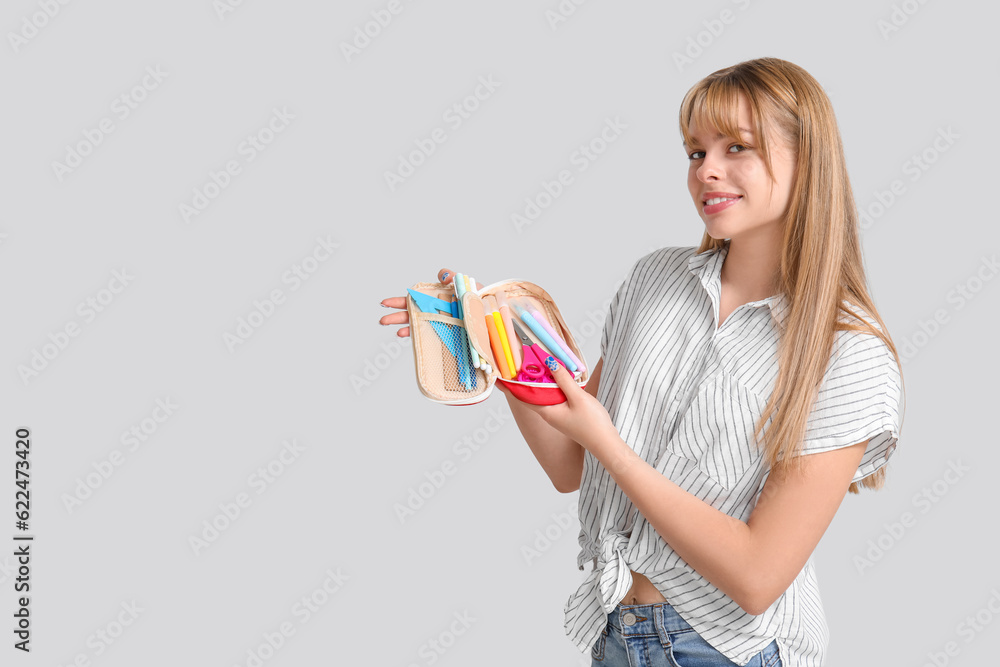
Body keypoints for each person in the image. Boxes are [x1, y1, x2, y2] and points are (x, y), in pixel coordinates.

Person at [378, 56, 905, 667]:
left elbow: (759, 576)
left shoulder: (849, 352)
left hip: (729, 652)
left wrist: (612, 446)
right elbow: (570, 462)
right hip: (618, 636)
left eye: (737, 147)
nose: (708, 170)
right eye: (694, 152)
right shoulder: (655, 280)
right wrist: (493, 347)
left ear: (807, 161)